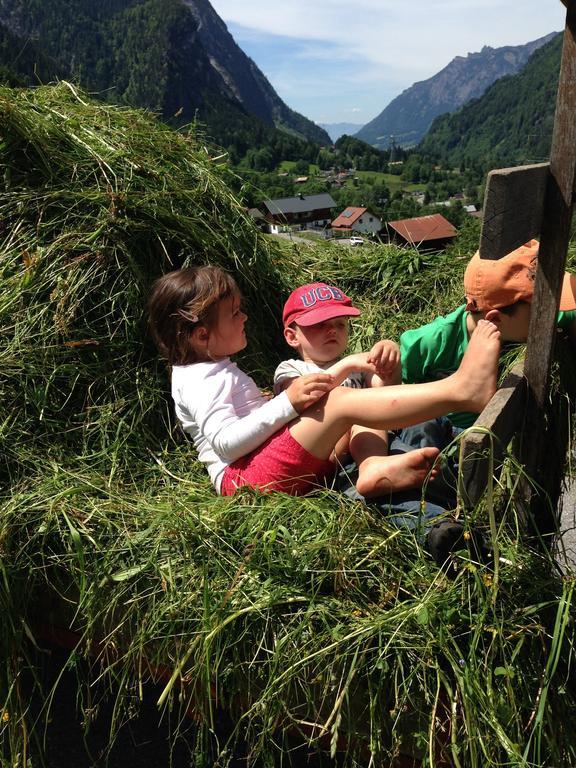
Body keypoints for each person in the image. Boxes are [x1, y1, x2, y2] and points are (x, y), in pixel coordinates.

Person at [148, 264, 501, 502]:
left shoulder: (208, 369)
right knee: (341, 402)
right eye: (234, 313)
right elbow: (225, 445)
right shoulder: (202, 380)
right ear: (202, 334)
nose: (245, 317)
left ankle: (375, 465)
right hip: (243, 481)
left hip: (256, 467)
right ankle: (462, 391)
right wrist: (286, 404)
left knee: (352, 403)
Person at [273, 282, 440, 498]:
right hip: (328, 455)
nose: (332, 329)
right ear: (292, 336)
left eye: (340, 324)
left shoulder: (357, 368)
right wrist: (349, 364)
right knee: (359, 409)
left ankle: (395, 469)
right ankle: (378, 467)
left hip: (368, 446)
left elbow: (385, 392)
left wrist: (389, 361)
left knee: (418, 427)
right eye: (319, 324)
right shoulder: (291, 369)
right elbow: (304, 400)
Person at [401, 239, 576, 432]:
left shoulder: (519, 320)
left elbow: (570, 311)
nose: (551, 315)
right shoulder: (433, 342)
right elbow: (389, 380)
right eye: (542, 310)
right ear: (495, 320)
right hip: (448, 436)